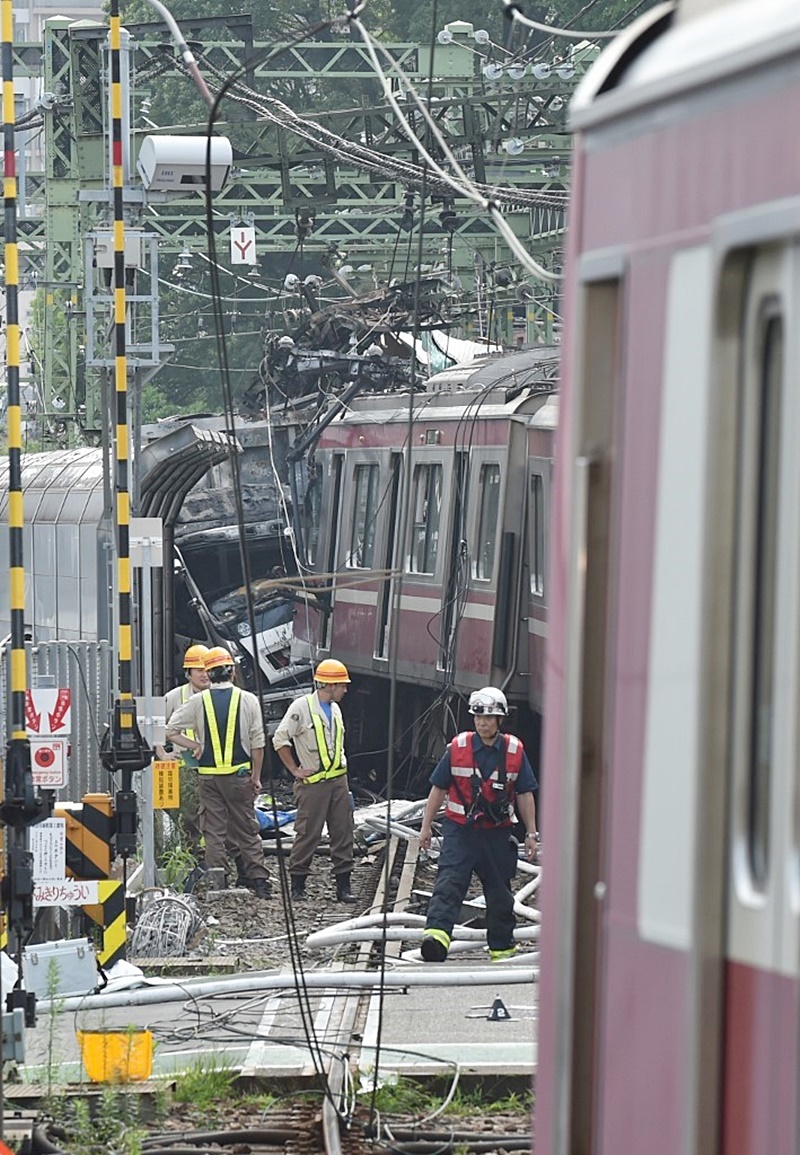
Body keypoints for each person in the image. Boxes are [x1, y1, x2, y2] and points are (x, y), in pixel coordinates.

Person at [418, 686, 539, 962]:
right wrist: (426, 827)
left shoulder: (514, 751)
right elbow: (438, 789)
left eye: (489, 718)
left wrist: (531, 833)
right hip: (460, 831)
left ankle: (502, 948)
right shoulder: (457, 748)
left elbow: (525, 793)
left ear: (500, 720)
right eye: (478, 717)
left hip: (496, 834)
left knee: (499, 893)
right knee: (449, 883)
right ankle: (435, 939)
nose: (482, 723)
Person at [166, 645, 271, 899]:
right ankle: (259, 882)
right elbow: (258, 744)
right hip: (238, 776)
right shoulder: (248, 700)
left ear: (210, 674)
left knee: (213, 831)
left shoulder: (198, 701)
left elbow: (171, 730)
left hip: (208, 777)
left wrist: (196, 745)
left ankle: (219, 883)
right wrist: (256, 777)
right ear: (232, 672)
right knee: (246, 827)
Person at [272, 658, 356, 903]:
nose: (345, 689)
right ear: (329, 685)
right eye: (342, 685)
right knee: (308, 833)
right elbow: (280, 739)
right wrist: (295, 770)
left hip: (338, 781)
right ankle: (297, 884)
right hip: (313, 784)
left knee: (343, 831)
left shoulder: (336, 709)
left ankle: (344, 885)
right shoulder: (301, 707)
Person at [159, 644, 210, 852]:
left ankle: (212, 854)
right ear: (188, 673)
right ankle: (194, 852)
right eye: (199, 670)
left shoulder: (219, 696)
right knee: (187, 815)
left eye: (208, 669)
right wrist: (162, 754)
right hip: (184, 764)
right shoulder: (174, 696)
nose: (204, 675)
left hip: (212, 764)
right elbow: (153, 724)